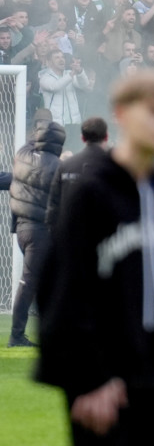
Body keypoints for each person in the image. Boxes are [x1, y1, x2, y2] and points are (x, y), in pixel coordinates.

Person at [35, 73, 154, 445]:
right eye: (153, 113)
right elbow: (63, 289)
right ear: (121, 115)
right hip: (101, 379)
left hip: (151, 375)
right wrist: (88, 379)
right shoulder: (92, 192)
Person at [7, 119, 65, 348]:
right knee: (30, 282)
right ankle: (17, 336)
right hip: (41, 231)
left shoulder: (22, 155)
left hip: (22, 229)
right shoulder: (57, 165)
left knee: (37, 281)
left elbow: (33, 143)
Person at [45, 116, 108, 230]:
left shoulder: (66, 166)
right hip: (105, 237)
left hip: (73, 233)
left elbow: (53, 207)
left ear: (82, 138)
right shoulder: (114, 167)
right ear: (106, 137)